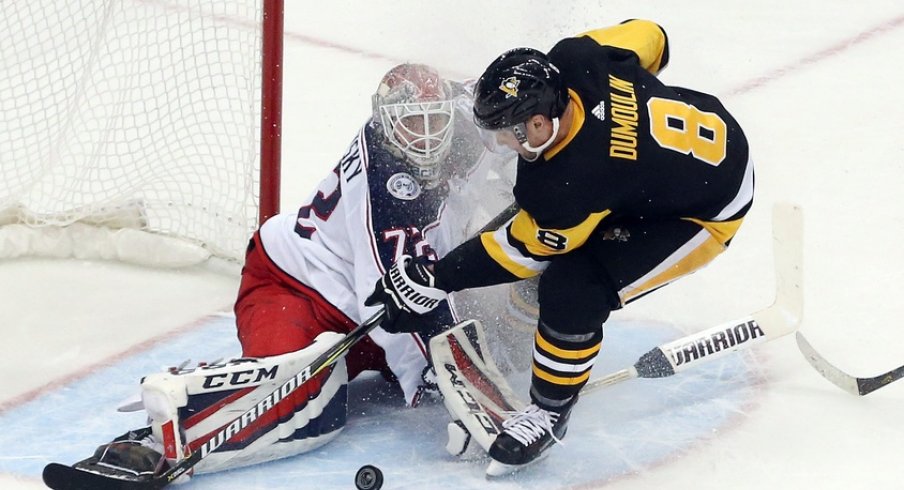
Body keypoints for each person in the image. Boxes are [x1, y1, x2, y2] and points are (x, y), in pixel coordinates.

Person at [74, 63, 509, 480]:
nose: (427, 135)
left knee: (495, 321)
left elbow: (512, 95)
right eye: (412, 123)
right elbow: (399, 296)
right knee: (302, 404)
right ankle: (157, 436)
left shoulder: (469, 114)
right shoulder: (384, 185)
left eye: (434, 119)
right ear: (384, 122)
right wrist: (452, 386)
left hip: (368, 310)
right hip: (297, 288)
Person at [366, 19, 754, 476]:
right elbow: (653, 35)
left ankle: (549, 414)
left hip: (703, 212)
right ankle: (517, 336)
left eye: (508, 134)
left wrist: (434, 280)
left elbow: (520, 252)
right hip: (705, 136)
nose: (501, 143)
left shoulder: (572, 183)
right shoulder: (574, 60)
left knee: (573, 288)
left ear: (538, 121)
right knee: (555, 242)